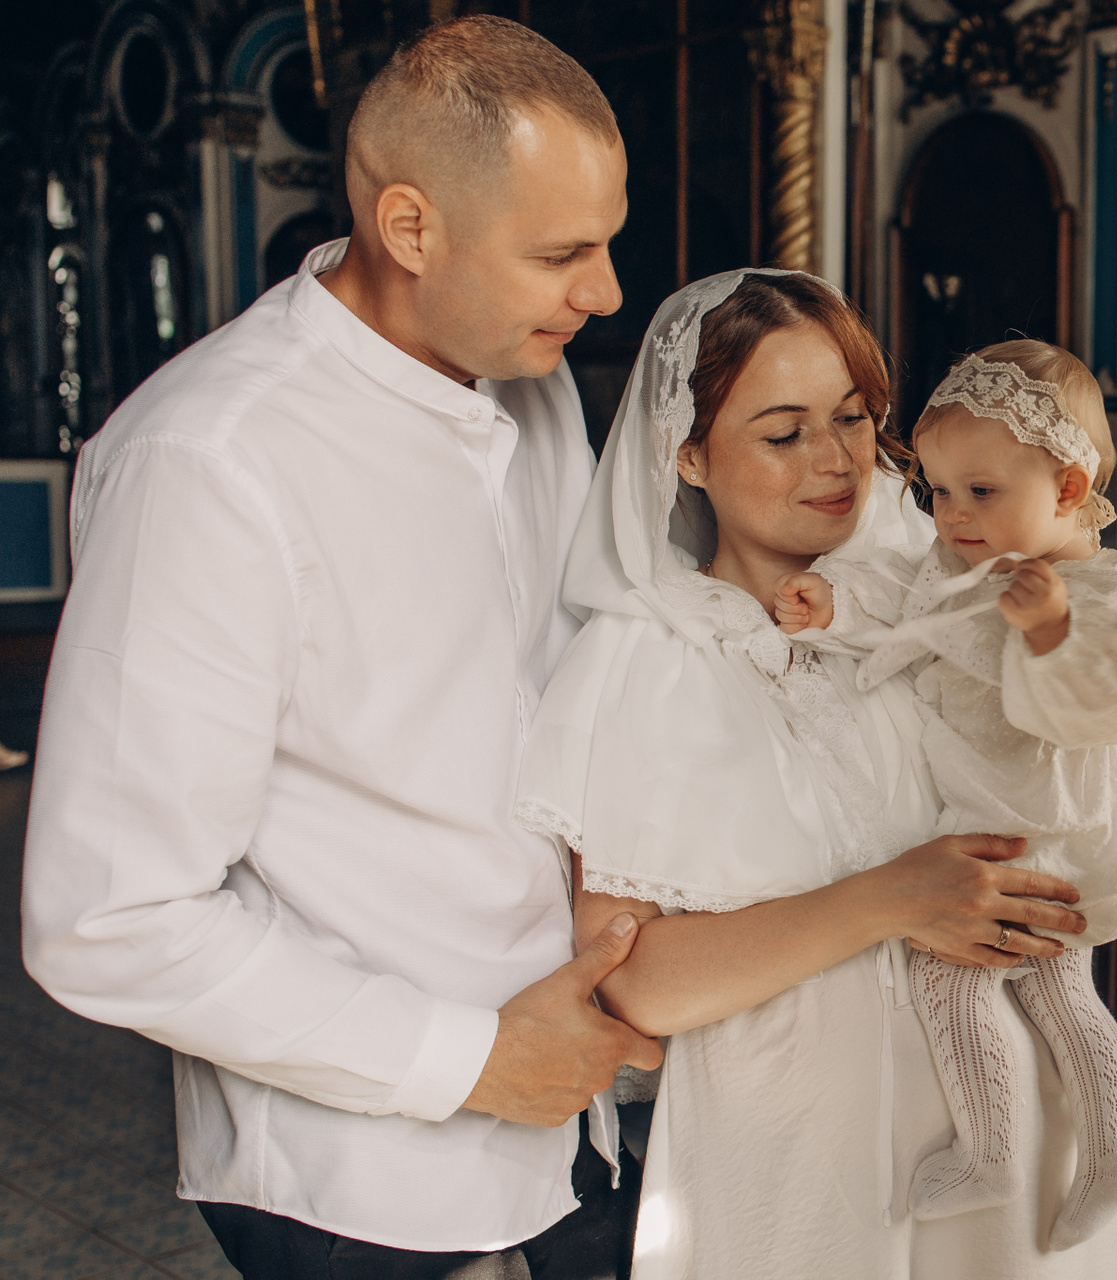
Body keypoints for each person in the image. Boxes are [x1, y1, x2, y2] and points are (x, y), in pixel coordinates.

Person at [23, 17, 658, 1278]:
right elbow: (108, 914)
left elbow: (570, 682)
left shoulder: (534, 385)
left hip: (576, 1110)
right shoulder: (209, 462)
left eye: (607, 242)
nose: (606, 293)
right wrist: (472, 1058)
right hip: (364, 1176)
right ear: (410, 227)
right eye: (560, 253)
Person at [514, 271, 1117, 1277]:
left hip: (1016, 1129)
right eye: (783, 432)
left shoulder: (932, 603)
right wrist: (889, 898)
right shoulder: (649, 658)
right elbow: (629, 981)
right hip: (797, 1158)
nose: (837, 460)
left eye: (852, 417)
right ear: (688, 452)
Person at [769, 341, 1117, 1250]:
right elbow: (909, 603)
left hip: (1030, 822)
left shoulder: (1088, 589)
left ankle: (991, 1150)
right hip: (1002, 812)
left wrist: (1050, 631)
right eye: (938, 491)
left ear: (1069, 488)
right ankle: (1112, 1148)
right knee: (1061, 991)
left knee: (949, 973)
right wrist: (834, 608)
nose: (953, 515)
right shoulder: (967, 556)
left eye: (982, 492)